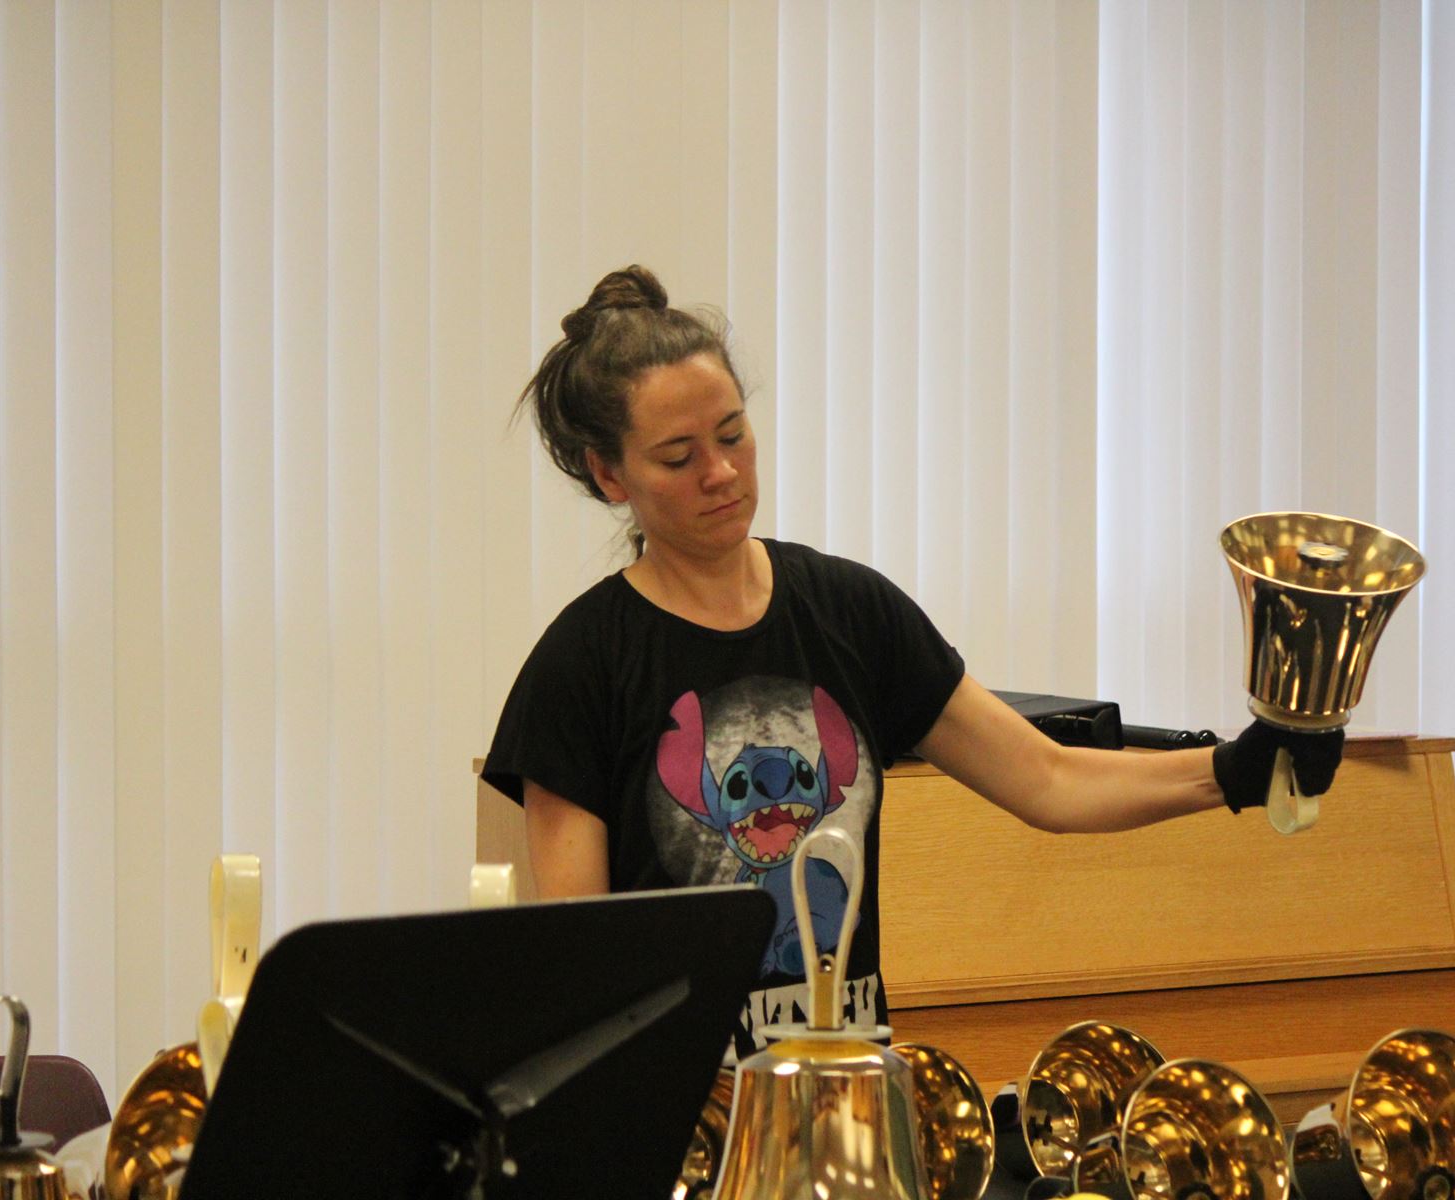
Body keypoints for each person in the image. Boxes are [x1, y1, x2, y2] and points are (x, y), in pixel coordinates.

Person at [482, 265, 1342, 1053]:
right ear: (610, 475)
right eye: (679, 456)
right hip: (685, 1122)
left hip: (848, 1097)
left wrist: (1235, 771)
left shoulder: (850, 611)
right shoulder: (581, 665)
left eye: (734, 435)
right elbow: (584, 964)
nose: (722, 472)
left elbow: (1049, 778)